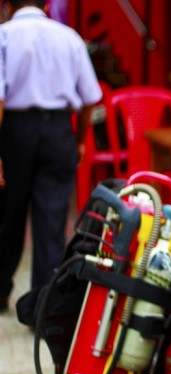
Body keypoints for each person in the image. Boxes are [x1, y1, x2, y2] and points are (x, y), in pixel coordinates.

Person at [0, 0, 102, 312]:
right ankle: (44, 307)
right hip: (59, 130)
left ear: (5, 5)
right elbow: (90, 98)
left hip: (14, 130)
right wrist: (79, 140)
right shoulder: (69, 37)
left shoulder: (4, 35)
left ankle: (0, 292)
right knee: (52, 218)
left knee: (6, 214)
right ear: (47, 3)